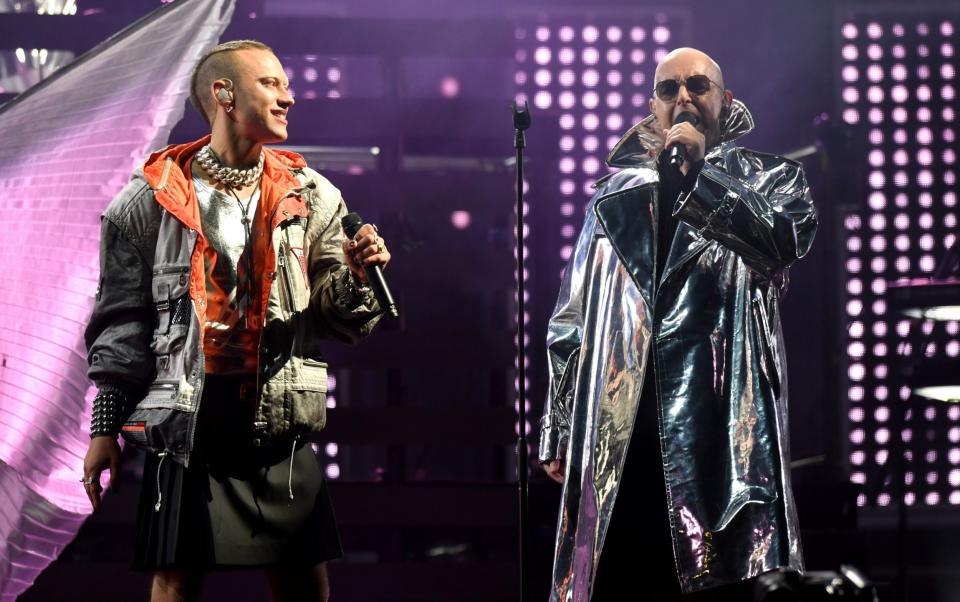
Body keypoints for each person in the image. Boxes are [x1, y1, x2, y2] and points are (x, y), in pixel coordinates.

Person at [80, 39, 389, 602]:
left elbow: (336, 318)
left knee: (303, 580)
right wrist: (105, 427)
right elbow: (121, 324)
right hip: (190, 416)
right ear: (224, 94)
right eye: (271, 83)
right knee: (176, 577)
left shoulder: (314, 196)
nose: (288, 97)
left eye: (286, 84)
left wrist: (356, 276)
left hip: (277, 414)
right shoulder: (149, 201)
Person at [539, 47, 817, 600]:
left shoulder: (771, 180)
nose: (683, 97)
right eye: (669, 89)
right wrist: (560, 427)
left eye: (696, 85)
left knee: (721, 581)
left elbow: (783, 243)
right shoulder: (612, 199)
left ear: (724, 99)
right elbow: (571, 321)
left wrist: (699, 178)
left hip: (720, 433)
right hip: (622, 431)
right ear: (653, 105)